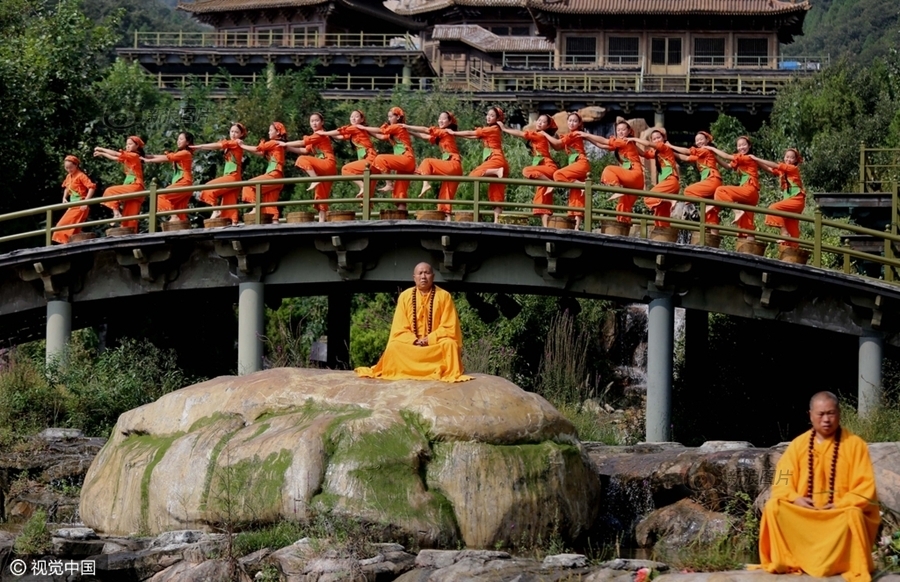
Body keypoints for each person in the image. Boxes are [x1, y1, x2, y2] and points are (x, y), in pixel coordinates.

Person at [756, 391, 879, 582]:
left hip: (837, 514)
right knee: (774, 507)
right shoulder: (797, 445)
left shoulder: (855, 445)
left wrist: (840, 504)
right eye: (821, 414)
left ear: (839, 414)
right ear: (810, 415)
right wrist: (795, 498)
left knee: (853, 514)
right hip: (805, 513)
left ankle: (842, 563)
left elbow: (865, 487)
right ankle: (790, 560)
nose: (826, 419)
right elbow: (780, 481)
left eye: (831, 413)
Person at [355, 262, 471, 382]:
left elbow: (449, 327)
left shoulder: (444, 296)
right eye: (420, 273)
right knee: (393, 347)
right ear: (414, 277)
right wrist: (413, 340)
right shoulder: (405, 296)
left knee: (450, 345)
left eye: (427, 273)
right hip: (411, 345)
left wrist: (429, 339)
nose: (423, 277)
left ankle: (436, 370)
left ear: (433, 276)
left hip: (434, 345)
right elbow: (399, 327)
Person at [449, 106, 509, 223]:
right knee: (496, 194)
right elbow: (473, 136)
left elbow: (471, 132)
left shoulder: (491, 129)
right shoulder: (492, 130)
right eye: (488, 115)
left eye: (492, 115)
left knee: (474, 175)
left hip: (496, 160)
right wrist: (456, 135)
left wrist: (454, 132)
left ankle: (496, 171)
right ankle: (496, 222)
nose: (488, 117)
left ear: (497, 119)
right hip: (501, 162)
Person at [496, 114, 558, 227]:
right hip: (542, 170)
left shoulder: (539, 135)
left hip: (548, 167)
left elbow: (521, 134)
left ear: (547, 126)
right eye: (539, 120)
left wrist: (504, 129)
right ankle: (545, 226)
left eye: (543, 122)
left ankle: (550, 183)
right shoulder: (540, 135)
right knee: (542, 199)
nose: (539, 122)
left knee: (526, 171)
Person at [581, 119, 644, 224]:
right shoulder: (628, 143)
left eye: (623, 130)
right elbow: (602, 146)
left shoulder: (623, 141)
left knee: (608, 169)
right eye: (618, 130)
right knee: (623, 206)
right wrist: (587, 138)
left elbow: (604, 141)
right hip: (637, 181)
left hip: (633, 174)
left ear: (629, 131)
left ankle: (617, 189)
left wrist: (586, 134)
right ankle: (624, 227)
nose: (620, 132)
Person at [401, 111, 462, 216]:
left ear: (449, 122)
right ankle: (447, 220)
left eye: (443, 118)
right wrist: (410, 132)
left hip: (453, 164)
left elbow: (426, 130)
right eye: (439, 118)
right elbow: (425, 136)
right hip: (454, 169)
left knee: (427, 161)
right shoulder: (441, 135)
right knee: (445, 198)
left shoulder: (445, 132)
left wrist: (406, 126)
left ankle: (426, 184)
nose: (440, 121)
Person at [356, 106, 416, 210]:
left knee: (380, 159)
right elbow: (380, 136)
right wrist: (367, 131)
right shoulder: (394, 131)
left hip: (406, 159)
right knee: (399, 194)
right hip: (405, 164)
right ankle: (401, 216)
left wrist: (363, 128)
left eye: (391, 116)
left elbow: (381, 131)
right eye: (388, 117)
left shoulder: (397, 127)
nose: (389, 119)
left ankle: (389, 183)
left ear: (398, 117)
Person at [281, 113, 337, 223]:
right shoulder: (313, 137)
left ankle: (314, 179)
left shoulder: (319, 134)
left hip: (327, 163)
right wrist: (288, 147)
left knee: (301, 159)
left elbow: (301, 142)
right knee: (321, 196)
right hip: (325, 168)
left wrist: (285, 143)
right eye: (312, 121)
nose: (314, 123)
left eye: (316, 120)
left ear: (322, 122)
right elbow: (305, 150)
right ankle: (322, 221)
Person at [191, 123, 247, 225]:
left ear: (241, 134)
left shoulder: (235, 143)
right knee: (229, 203)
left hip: (232, 176)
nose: (233, 134)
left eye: (236, 132)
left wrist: (199, 146)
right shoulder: (232, 144)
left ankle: (216, 210)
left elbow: (217, 145)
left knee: (207, 188)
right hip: (231, 176)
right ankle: (233, 223)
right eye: (232, 131)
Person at [704, 136, 760, 238]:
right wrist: (714, 157)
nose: (741, 147)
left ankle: (736, 211)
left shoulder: (747, 157)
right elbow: (728, 166)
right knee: (746, 226)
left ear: (749, 146)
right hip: (750, 194)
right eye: (739, 145)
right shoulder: (742, 159)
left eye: (744, 145)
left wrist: (711, 148)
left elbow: (726, 156)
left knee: (721, 190)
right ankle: (748, 245)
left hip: (749, 189)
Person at [544, 113, 591, 230]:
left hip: (580, 163)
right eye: (570, 120)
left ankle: (581, 185)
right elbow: (557, 147)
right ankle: (576, 227)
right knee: (576, 196)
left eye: (575, 121)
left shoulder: (574, 134)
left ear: (579, 124)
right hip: (576, 165)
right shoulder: (570, 135)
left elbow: (558, 143)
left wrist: (544, 134)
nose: (572, 123)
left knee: (558, 175)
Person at [316, 110, 378, 198]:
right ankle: (364, 190)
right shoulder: (354, 132)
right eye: (351, 116)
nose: (353, 118)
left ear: (362, 119)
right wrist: (326, 134)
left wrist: (323, 133)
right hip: (370, 161)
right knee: (367, 196)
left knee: (346, 170)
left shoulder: (355, 127)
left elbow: (340, 131)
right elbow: (339, 136)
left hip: (370, 159)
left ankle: (362, 186)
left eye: (356, 116)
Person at [754, 148, 806, 247]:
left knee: (773, 208)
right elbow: (769, 169)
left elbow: (775, 165)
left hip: (796, 199)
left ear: (795, 160)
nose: (788, 159)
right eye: (787, 157)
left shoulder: (793, 168)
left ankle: (784, 233)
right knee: (792, 228)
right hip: (789, 200)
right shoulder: (783, 171)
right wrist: (756, 161)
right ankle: (792, 250)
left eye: (791, 158)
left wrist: (757, 158)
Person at [628, 128, 680, 228]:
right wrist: (632, 144)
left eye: (658, 138)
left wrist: (634, 138)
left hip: (670, 181)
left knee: (648, 198)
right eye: (654, 139)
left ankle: (670, 200)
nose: (657, 140)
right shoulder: (657, 153)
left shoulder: (664, 147)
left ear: (664, 138)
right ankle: (663, 232)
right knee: (660, 215)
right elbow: (643, 153)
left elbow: (648, 144)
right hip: (666, 183)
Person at [94, 136, 145, 230]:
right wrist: (102, 153)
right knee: (129, 217)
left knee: (110, 191)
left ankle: (116, 213)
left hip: (135, 186)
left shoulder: (134, 155)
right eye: (127, 144)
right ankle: (130, 234)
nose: (127, 146)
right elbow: (114, 157)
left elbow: (116, 153)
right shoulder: (128, 157)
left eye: (130, 144)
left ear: (137, 146)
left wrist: (101, 149)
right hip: (134, 188)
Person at [142, 132, 194, 223]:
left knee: (160, 195)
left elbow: (167, 158)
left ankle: (173, 216)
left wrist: (148, 160)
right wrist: (149, 156)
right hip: (183, 183)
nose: (178, 141)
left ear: (187, 142)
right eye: (178, 139)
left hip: (184, 182)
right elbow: (166, 157)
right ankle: (178, 224)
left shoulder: (185, 153)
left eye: (181, 139)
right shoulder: (180, 154)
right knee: (180, 212)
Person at [239, 122, 287, 220]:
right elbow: (261, 153)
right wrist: (245, 148)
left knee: (248, 185)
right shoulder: (277, 145)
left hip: (274, 174)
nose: (268, 132)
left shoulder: (273, 142)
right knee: (269, 205)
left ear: (278, 132)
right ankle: (274, 221)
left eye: (270, 130)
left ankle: (255, 207)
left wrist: (242, 146)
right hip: (278, 177)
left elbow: (257, 149)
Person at [52, 155, 96, 244]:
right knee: (73, 230)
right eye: (66, 168)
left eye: (71, 167)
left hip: (80, 205)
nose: (69, 170)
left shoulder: (81, 175)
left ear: (76, 165)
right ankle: (70, 244)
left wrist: (86, 202)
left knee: (61, 226)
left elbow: (92, 187)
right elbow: (67, 188)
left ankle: (65, 244)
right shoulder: (69, 176)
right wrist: (64, 198)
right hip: (73, 206)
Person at [668, 131, 722, 202]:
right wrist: (670, 152)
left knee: (688, 191)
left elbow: (687, 151)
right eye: (697, 140)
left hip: (712, 179)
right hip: (709, 181)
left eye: (701, 139)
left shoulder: (705, 150)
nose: (699, 142)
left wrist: (670, 146)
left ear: (707, 140)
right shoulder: (700, 156)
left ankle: (697, 205)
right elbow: (686, 158)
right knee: (709, 208)